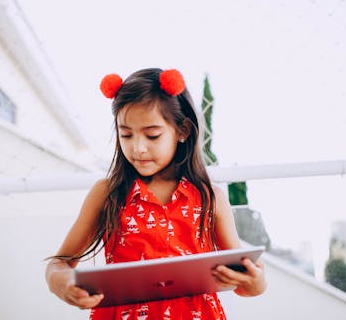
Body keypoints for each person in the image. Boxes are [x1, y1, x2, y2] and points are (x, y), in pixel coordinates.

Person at [45, 68, 266, 319]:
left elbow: (245, 282)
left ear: (182, 131)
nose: (138, 147)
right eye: (126, 134)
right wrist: (62, 284)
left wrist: (255, 281)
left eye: (152, 135)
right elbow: (59, 263)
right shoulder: (107, 193)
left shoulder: (210, 197)